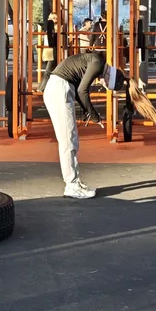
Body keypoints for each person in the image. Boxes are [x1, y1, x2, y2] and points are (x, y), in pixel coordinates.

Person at [43, 49, 120, 199]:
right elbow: (82, 91)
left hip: (59, 88)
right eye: (105, 82)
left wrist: (89, 112)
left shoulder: (91, 59)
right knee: (68, 141)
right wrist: (94, 116)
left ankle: (75, 181)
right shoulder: (98, 63)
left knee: (71, 140)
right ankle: (71, 185)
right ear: (109, 76)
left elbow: (79, 91)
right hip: (60, 90)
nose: (100, 82)